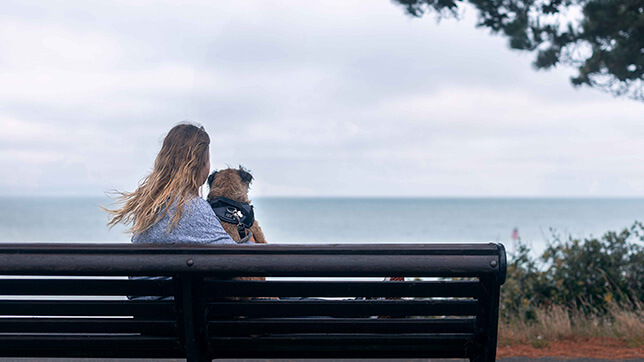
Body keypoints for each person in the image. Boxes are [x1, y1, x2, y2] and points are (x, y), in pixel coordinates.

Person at [105, 123, 235, 245]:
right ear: (199, 165)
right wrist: (249, 236)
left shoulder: (145, 208)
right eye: (207, 160)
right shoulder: (193, 208)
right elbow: (236, 257)